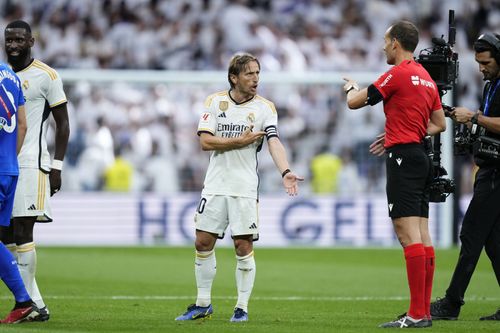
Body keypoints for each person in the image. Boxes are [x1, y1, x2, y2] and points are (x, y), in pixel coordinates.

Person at [175, 53, 303, 322]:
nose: (255, 78)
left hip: (244, 187)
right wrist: (238, 141)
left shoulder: (265, 108)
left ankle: (241, 308)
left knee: (242, 246)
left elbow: (274, 142)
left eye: (257, 73)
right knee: (202, 241)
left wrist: (286, 171)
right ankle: (202, 304)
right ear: (234, 77)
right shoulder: (215, 102)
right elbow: (205, 142)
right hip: (215, 184)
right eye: (249, 74)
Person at [343, 21, 446, 328]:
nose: (383, 47)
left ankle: (416, 314)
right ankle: (423, 312)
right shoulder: (426, 78)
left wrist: (350, 85)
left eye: (385, 41)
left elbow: (354, 102)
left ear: (396, 44)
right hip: (420, 156)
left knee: (406, 234)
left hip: (403, 157)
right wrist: (408, 132)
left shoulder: (397, 73)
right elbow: (439, 123)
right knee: (423, 234)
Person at [0, 20, 70, 322]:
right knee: (5, 236)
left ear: (31, 41)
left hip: (31, 163)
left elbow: (63, 124)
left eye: (18, 40)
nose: (13, 45)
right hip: (7, 162)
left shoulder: (46, 76)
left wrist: (57, 165)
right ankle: (33, 303)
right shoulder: (3, 74)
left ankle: (31, 305)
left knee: (22, 230)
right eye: (8, 41)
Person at [430, 33, 500, 321]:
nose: (481, 68)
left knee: (471, 233)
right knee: (493, 240)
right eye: (479, 63)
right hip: (489, 168)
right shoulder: (491, 85)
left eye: (486, 62)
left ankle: (452, 302)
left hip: (497, 173)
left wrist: (474, 117)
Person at [0, 59, 40, 323]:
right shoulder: (11, 75)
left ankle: (25, 300)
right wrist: (8, 161)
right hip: (9, 168)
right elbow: (22, 124)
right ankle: (24, 301)